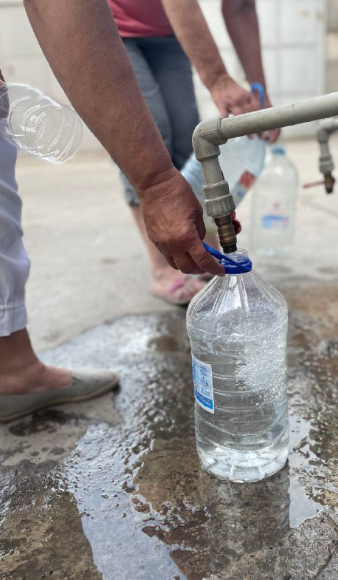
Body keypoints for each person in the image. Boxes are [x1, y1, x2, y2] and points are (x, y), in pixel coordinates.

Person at [0, 0, 225, 423]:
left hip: (162, 38)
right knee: (149, 129)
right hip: (122, 32)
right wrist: (156, 181)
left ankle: (12, 368)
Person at [108, 0, 280, 304]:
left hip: (166, 32)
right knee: (148, 133)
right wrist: (217, 79)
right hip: (110, 23)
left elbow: (240, 7)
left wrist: (259, 93)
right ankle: (162, 268)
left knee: (186, 134)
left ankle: (197, 244)